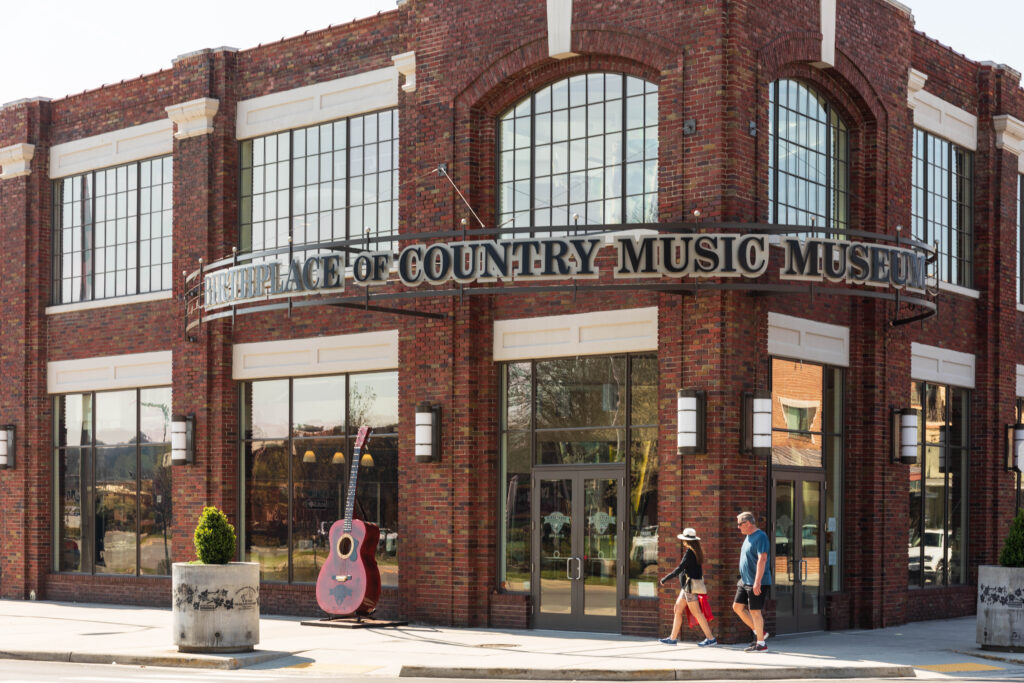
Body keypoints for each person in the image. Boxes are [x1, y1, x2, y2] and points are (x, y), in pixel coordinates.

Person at [658, 527, 716, 647]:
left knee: (697, 613)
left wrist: (665, 578)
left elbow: (679, 568)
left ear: (686, 541)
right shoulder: (696, 551)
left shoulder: (690, 553)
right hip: (687, 587)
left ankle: (710, 638)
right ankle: (672, 638)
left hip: (690, 588)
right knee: (677, 609)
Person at [732, 511, 772, 652]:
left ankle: (761, 644)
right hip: (745, 581)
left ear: (748, 523)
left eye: (739, 524)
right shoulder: (748, 536)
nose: (738, 527)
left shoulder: (760, 536)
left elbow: (762, 559)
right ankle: (760, 632)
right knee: (737, 607)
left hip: (757, 581)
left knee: (755, 611)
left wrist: (757, 582)